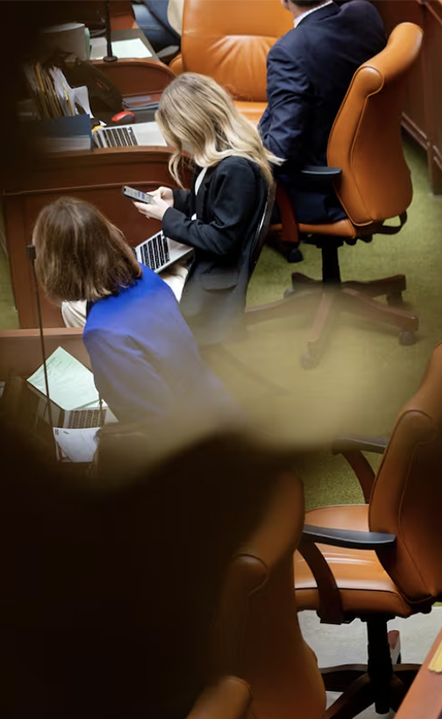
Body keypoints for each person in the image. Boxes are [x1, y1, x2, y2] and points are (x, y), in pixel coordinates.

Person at [32, 196, 236, 428]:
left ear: (56, 264)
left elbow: (149, 421)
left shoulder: (102, 332)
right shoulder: (145, 275)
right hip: (215, 406)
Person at [127, 73, 281, 344]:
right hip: (201, 263)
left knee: (123, 298)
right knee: (131, 270)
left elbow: (222, 240)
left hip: (211, 283)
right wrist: (177, 199)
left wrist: (167, 216)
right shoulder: (216, 154)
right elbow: (216, 205)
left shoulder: (235, 169)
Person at [257, 0, 386, 224]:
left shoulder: (289, 51)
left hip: (322, 190)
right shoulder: (365, 13)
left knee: (218, 186)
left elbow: (279, 152)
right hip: (374, 173)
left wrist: (239, 154)